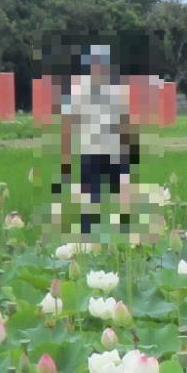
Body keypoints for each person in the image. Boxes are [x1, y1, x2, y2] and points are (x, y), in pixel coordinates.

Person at [58, 45, 133, 234]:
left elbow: (124, 121)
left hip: (115, 151)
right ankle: (88, 238)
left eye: (103, 65)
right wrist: (66, 158)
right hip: (90, 153)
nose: (100, 68)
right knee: (90, 201)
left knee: (124, 199)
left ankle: (125, 237)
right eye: (95, 64)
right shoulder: (78, 91)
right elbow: (67, 125)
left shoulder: (115, 90)